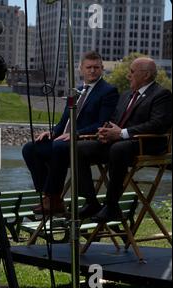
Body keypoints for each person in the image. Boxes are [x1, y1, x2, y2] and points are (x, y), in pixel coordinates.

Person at [22, 51, 119, 215]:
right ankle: (49, 196)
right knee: (31, 148)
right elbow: (65, 120)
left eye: (96, 67)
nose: (93, 71)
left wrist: (76, 134)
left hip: (86, 142)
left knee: (59, 147)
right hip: (64, 139)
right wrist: (52, 132)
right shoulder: (77, 90)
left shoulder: (108, 91)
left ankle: (52, 199)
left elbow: (102, 123)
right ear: (81, 69)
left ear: (102, 69)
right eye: (89, 67)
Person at [77, 57, 172, 222]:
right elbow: (114, 119)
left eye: (132, 72)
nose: (128, 76)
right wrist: (106, 131)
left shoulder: (161, 94)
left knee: (118, 149)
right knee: (78, 148)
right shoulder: (127, 95)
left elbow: (158, 125)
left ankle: (112, 206)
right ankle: (91, 202)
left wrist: (122, 133)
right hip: (120, 143)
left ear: (146, 75)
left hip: (145, 145)